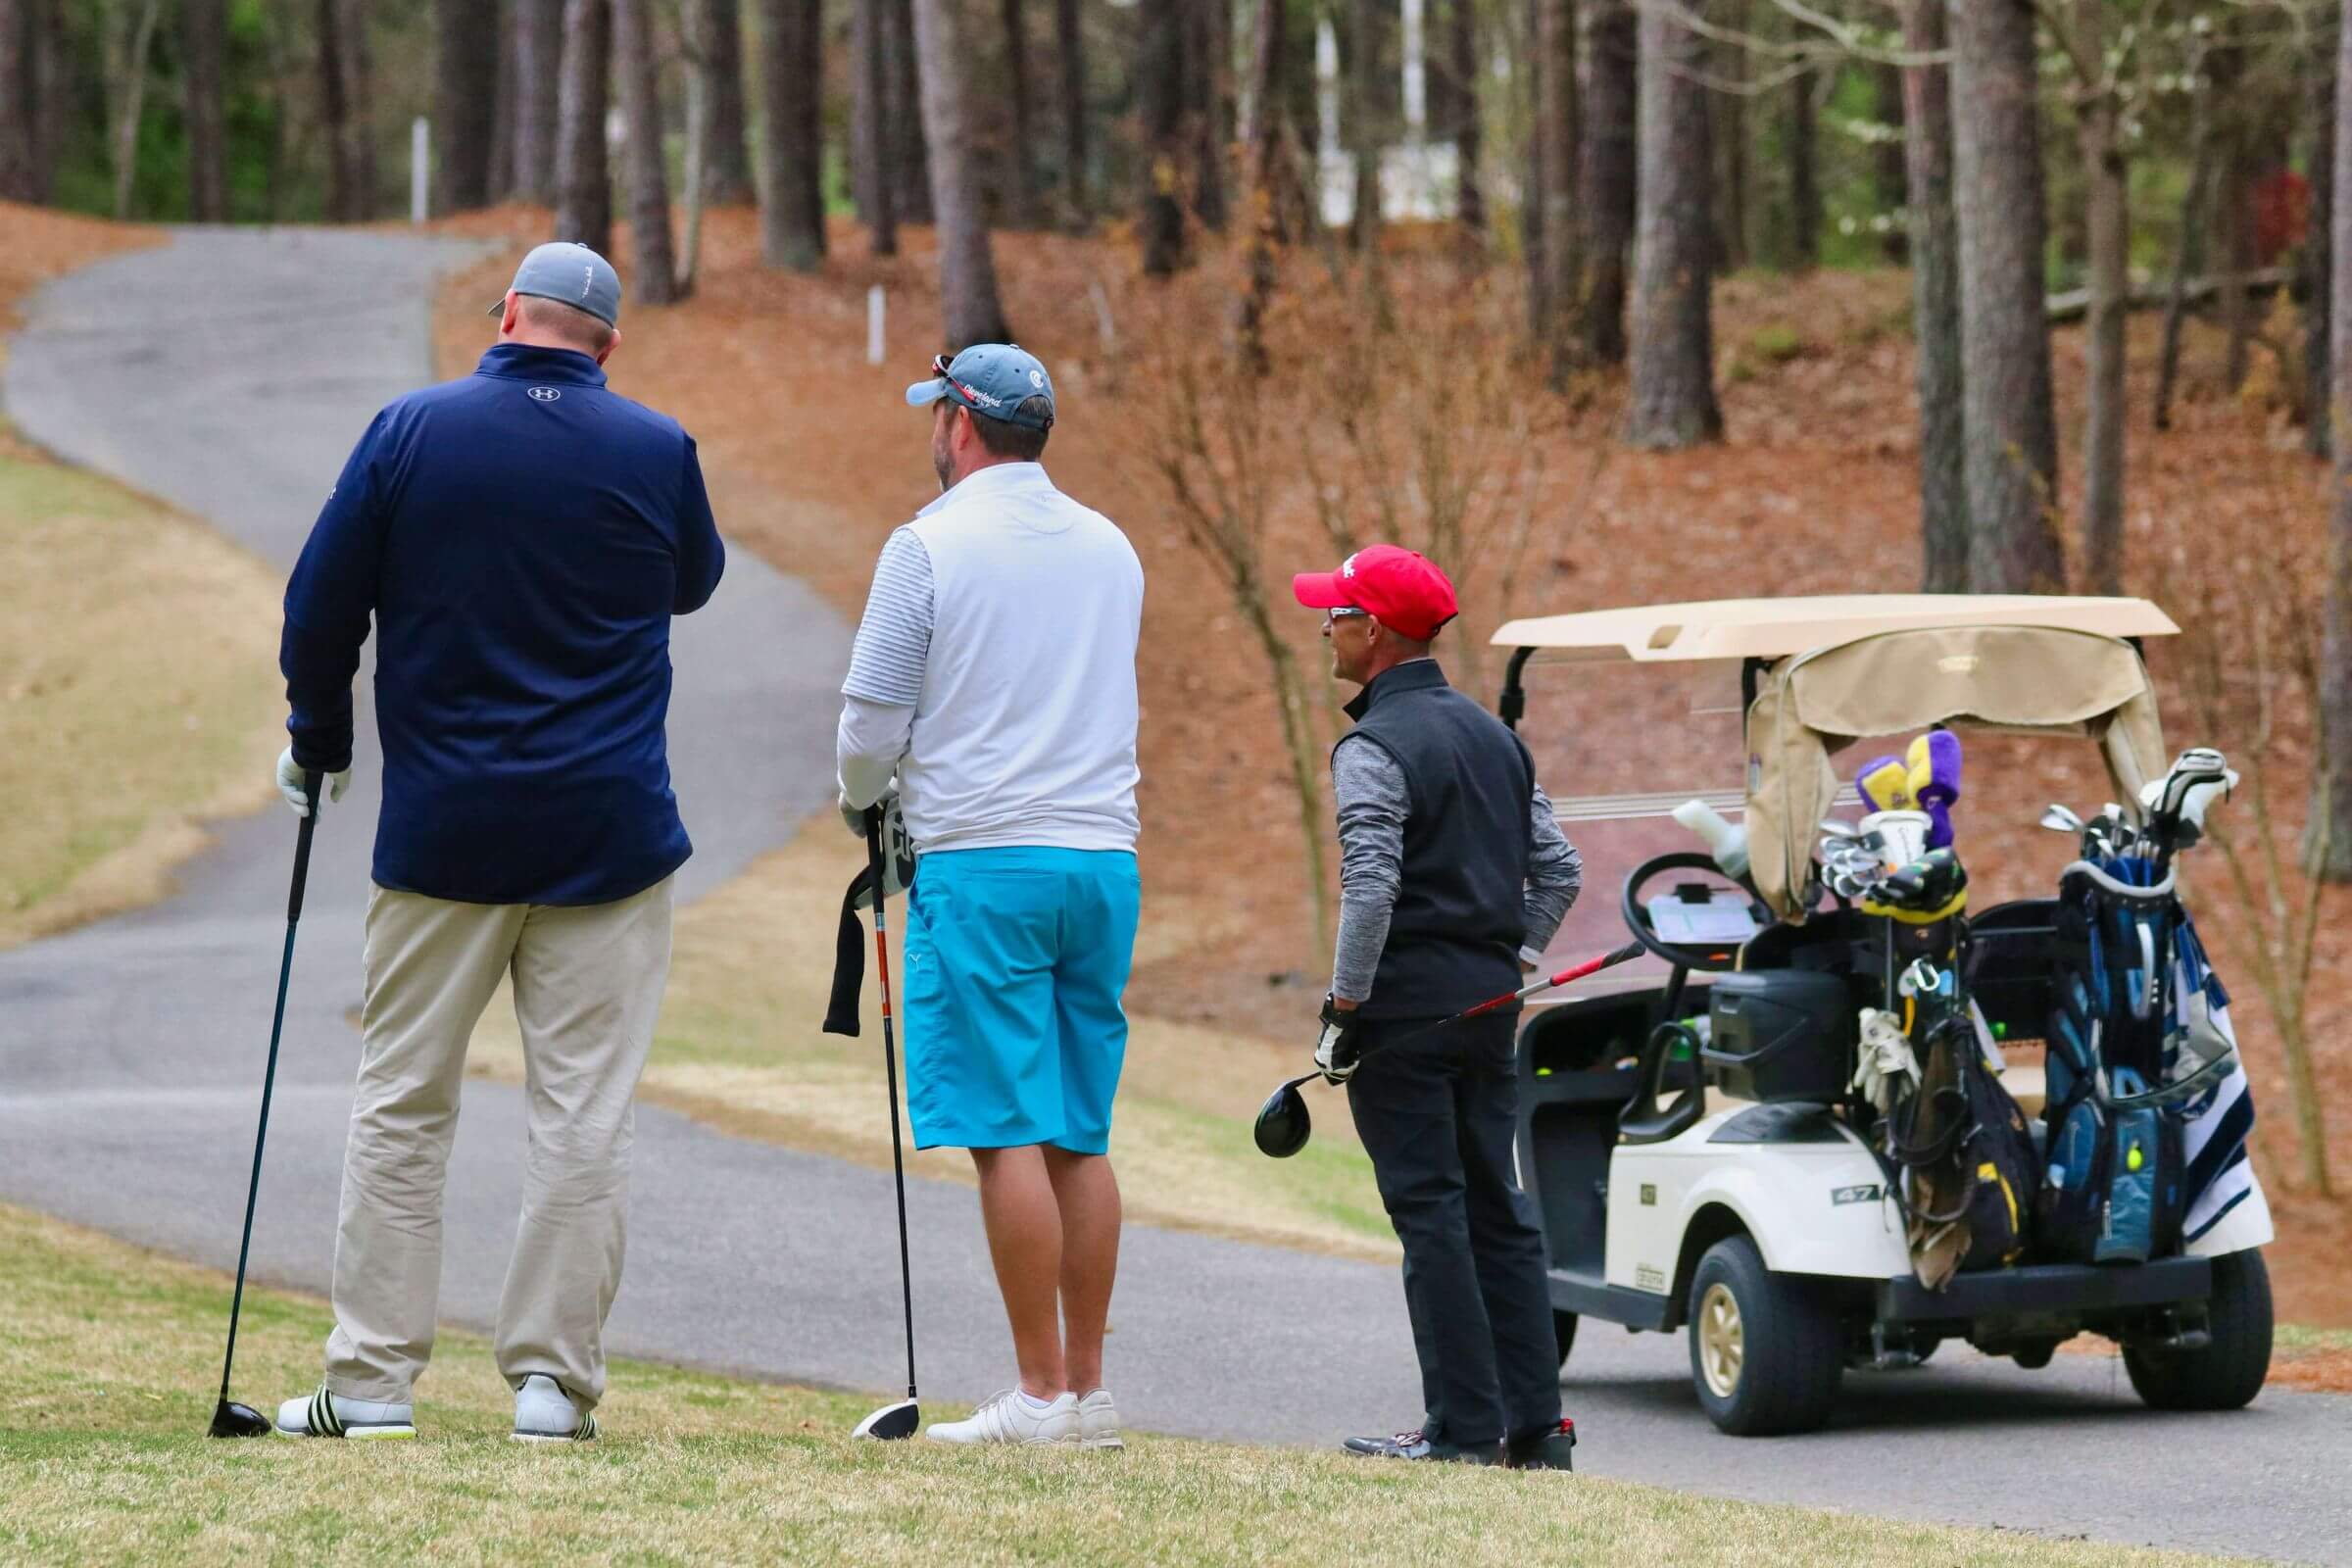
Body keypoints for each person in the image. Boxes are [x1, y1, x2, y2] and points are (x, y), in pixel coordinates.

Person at [270, 241, 725, 1443]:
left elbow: (321, 604)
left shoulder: (409, 431)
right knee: (581, 1114)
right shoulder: (657, 449)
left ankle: (369, 1382)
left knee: (403, 1103)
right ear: (608, 345)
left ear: (510, 314)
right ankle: (549, 1386)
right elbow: (693, 584)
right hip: (609, 835)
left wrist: (319, 738)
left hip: (443, 834)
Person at [836, 344, 1143, 1448]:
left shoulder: (924, 547)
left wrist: (859, 800)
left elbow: (871, 719)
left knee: (1004, 1127)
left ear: (961, 425)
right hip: (1103, 861)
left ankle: (1040, 1393)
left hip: (984, 858)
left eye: (937, 414)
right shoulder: (1112, 546)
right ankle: (1092, 1391)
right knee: (1077, 1127)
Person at [1291, 545, 1584, 1471]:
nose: (1324, 627)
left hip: (1405, 1022)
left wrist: (1344, 1005)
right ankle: (1537, 1431)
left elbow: (1371, 888)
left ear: (1372, 631)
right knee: (1497, 1211)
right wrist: (1515, 958)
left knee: (1433, 1216)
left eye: (1333, 613)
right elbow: (1561, 872)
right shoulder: (1496, 736)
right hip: (1491, 1012)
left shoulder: (1372, 745)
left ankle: (1460, 1432)